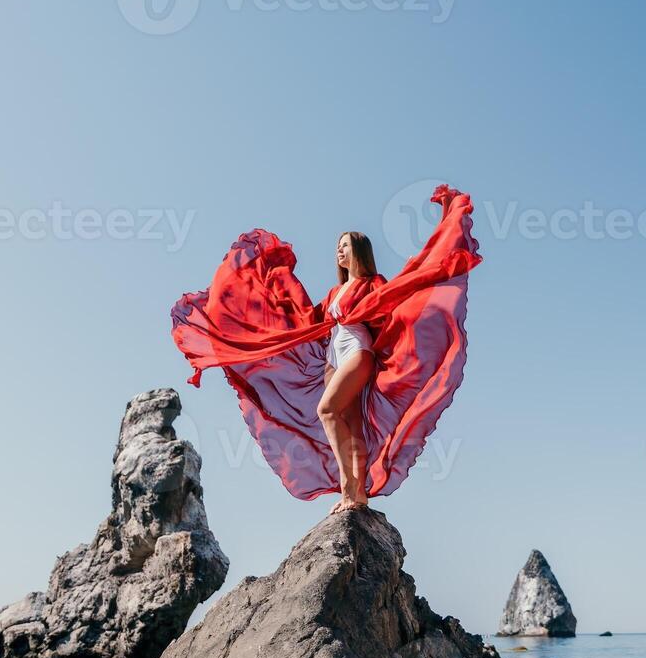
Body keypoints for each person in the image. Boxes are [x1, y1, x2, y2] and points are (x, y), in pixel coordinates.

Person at [170, 185, 482, 511]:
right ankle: (357, 494)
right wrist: (267, 284)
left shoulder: (371, 284)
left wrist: (424, 268)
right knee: (350, 423)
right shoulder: (336, 292)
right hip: (333, 359)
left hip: (358, 353)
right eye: (338, 247)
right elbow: (306, 319)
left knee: (326, 410)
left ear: (360, 251)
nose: (339, 252)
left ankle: (350, 490)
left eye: (345, 246)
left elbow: (393, 301)